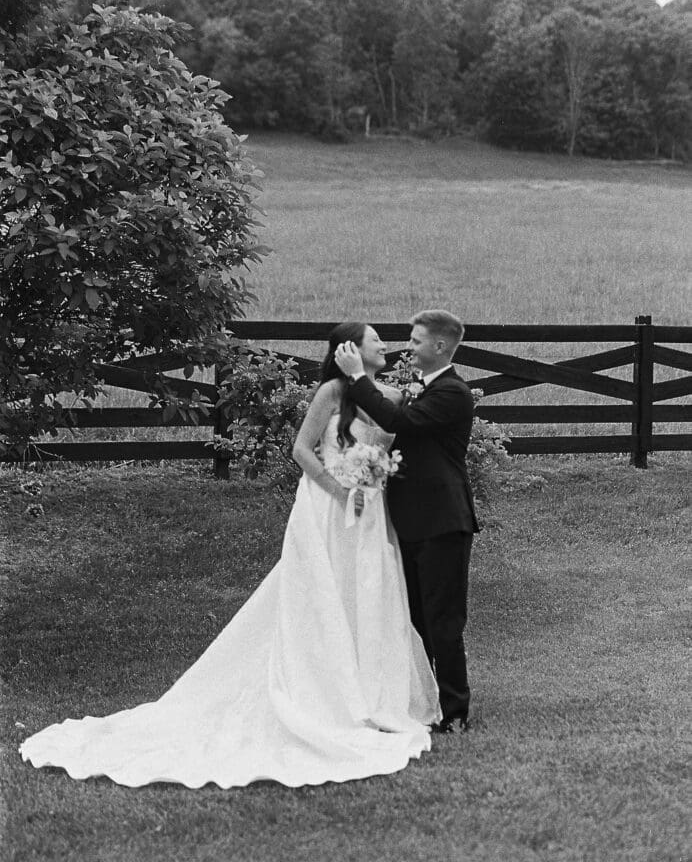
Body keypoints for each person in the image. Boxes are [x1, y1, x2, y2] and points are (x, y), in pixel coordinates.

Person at [19, 322, 440, 789]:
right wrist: (340, 490)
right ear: (350, 350)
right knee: (321, 593)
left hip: (370, 509)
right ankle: (325, 693)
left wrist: (372, 476)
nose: (384, 344)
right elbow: (301, 449)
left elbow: (390, 442)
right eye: (374, 339)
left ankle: (372, 693)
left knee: (368, 591)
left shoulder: (391, 398)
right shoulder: (331, 393)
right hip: (327, 505)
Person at [335, 309, 478, 733]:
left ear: (439, 346)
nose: (408, 347)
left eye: (416, 341)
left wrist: (358, 377)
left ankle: (455, 713)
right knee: (417, 618)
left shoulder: (452, 392)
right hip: (412, 521)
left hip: (443, 521)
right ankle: (426, 702)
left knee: (443, 620)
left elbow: (398, 422)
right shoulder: (424, 389)